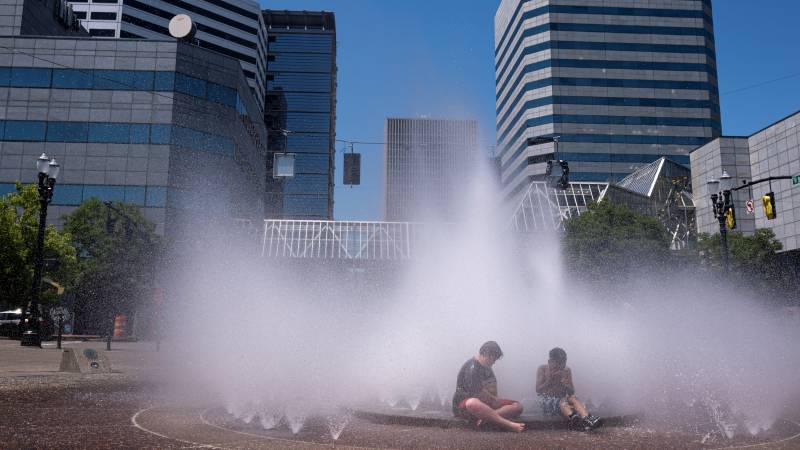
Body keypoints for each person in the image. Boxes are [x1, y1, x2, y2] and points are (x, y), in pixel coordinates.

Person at [452, 341, 525, 432]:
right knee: (473, 403)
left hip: (485, 405)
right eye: (494, 359)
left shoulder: (487, 367)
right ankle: (509, 424)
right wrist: (494, 400)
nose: (494, 362)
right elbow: (477, 394)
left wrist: (495, 400)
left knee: (517, 406)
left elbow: (492, 390)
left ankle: (487, 417)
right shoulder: (472, 368)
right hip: (464, 405)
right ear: (487, 354)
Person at [536, 347, 602, 431]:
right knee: (563, 402)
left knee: (573, 398)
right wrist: (549, 380)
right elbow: (538, 389)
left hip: (562, 399)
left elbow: (571, 392)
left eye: (563, 363)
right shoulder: (542, 369)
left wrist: (566, 384)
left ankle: (587, 419)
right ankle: (574, 419)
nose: (561, 366)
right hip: (546, 400)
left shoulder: (566, 370)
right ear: (550, 362)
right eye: (558, 363)